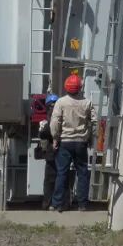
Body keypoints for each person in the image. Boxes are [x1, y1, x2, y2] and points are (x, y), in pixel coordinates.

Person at [49, 73, 94, 212]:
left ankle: (57, 204)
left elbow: (55, 122)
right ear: (80, 87)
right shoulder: (87, 103)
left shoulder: (61, 102)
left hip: (65, 142)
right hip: (81, 142)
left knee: (62, 173)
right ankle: (82, 204)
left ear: (66, 87)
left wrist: (55, 138)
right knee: (82, 173)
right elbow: (94, 122)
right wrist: (90, 137)